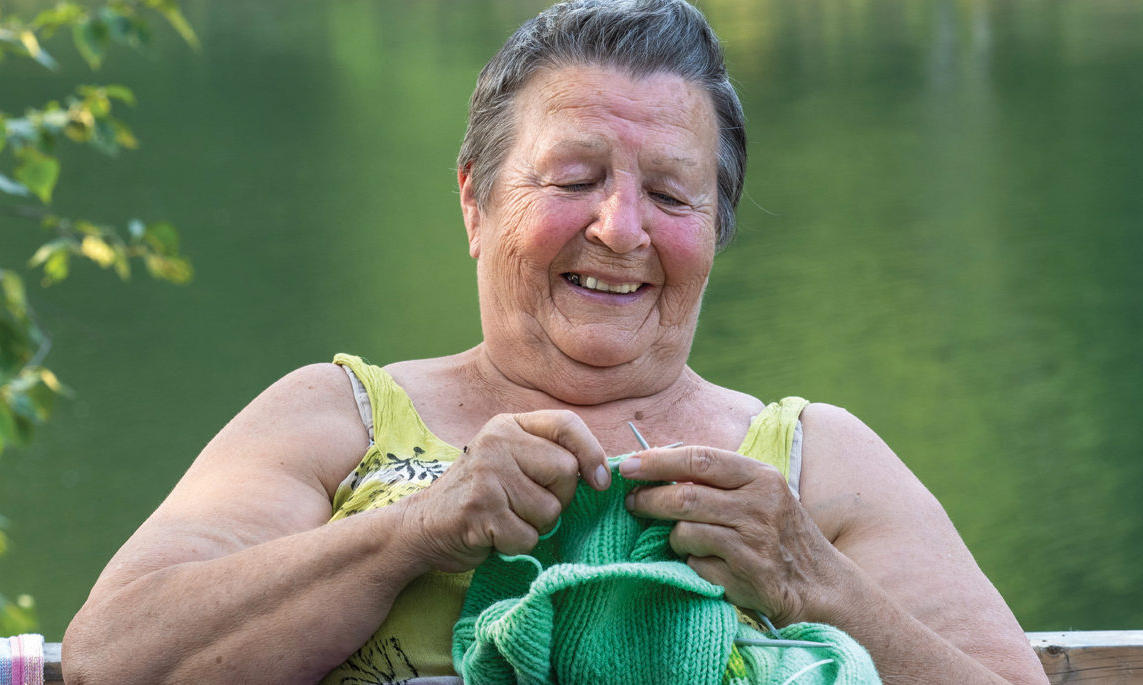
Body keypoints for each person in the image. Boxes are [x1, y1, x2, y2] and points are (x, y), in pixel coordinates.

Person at [62, 1, 1048, 683]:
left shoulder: (818, 464)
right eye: (574, 178)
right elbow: (113, 662)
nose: (621, 229)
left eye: (669, 194)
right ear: (475, 201)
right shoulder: (335, 419)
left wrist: (812, 581)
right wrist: (411, 533)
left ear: (716, 230)